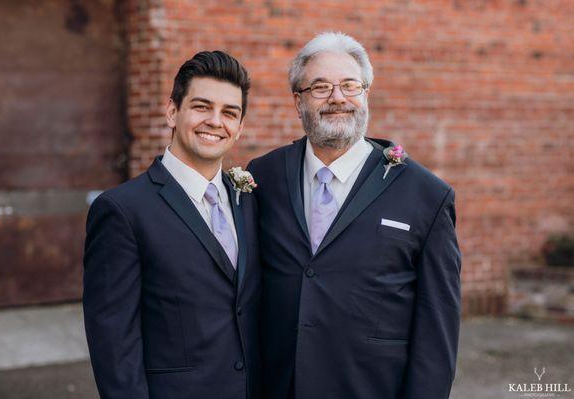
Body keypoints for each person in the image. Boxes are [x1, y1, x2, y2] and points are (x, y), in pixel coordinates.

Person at [248, 32, 461, 399]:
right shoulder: (262, 177)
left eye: (350, 85)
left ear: (366, 94)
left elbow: (437, 327)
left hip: (373, 387)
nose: (337, 98)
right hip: (279, 385)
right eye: (320, 87)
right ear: (297, 101)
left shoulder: (426, 195)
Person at [83, 51, 260, 399]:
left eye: (229, 112)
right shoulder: (122, 210)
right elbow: (114, 342)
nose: (215, 121)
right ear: (172, 112)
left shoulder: (250, 200)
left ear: (239, 128)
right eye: (201, 106)